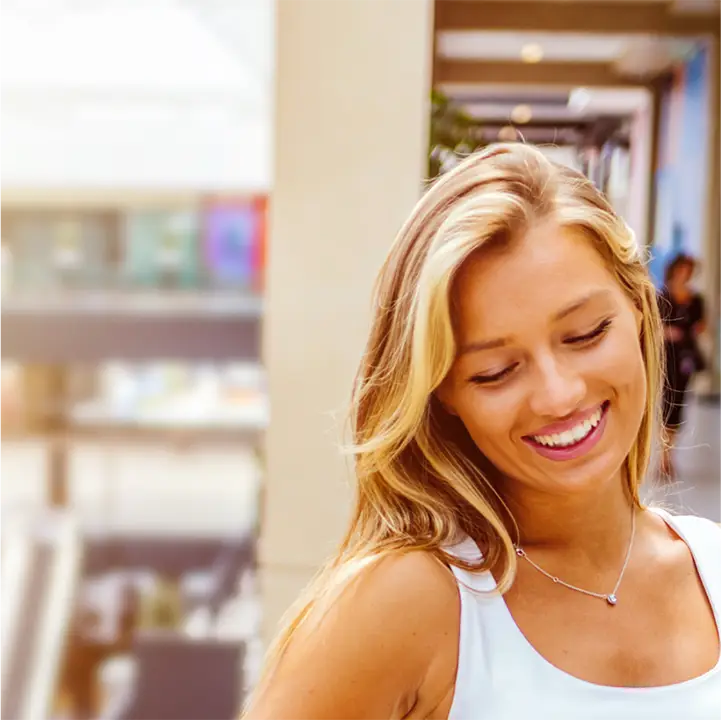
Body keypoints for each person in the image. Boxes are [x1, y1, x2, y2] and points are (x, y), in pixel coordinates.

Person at [245, 145, 721, 719]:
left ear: (639, 308)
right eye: (495, 371)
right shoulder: (411, 602)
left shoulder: (712, 566)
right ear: (443, 391)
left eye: (586, 334)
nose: (558, 394)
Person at [658, 253, 706, 478]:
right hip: (666, 356)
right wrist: (667, 332)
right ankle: (663, 457)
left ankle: (669, 455)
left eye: (688, 271)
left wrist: (691, 331)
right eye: (682, 270)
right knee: (665, 402)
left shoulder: (696, 299)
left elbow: (700, 326)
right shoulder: (662, 296)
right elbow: (653, 325)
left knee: (677, 404)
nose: (684, 275)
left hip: (685, 358)